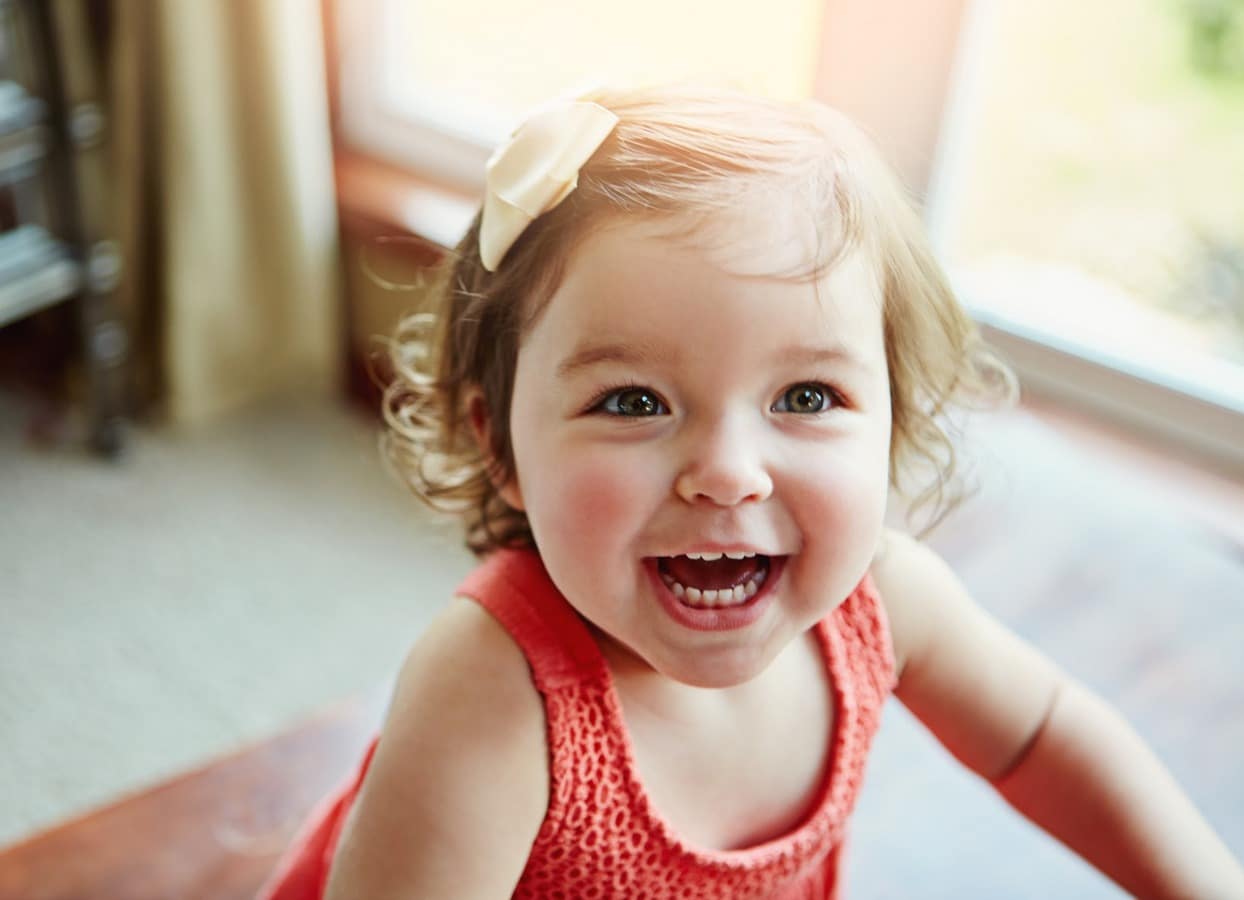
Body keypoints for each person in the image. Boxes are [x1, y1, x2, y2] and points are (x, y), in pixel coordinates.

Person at [259, 86, 1244, 899]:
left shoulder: (881, 601)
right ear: (500, 445)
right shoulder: (494, 691)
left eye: (806, 395)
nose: (728, 471)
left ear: (892, 418)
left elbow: (1041, 738)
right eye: (634, 399)